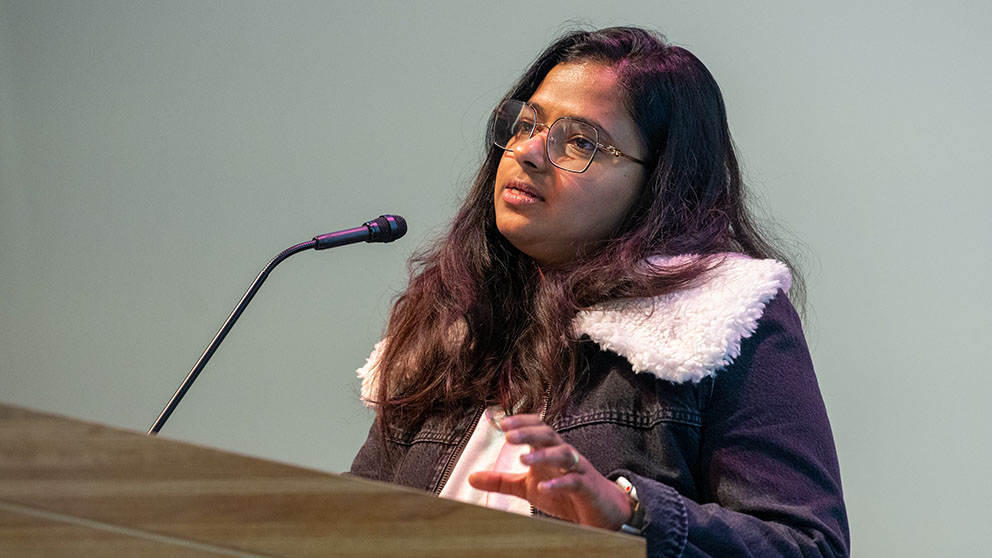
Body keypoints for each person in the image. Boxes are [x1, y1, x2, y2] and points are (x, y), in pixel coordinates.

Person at [349, 26, 850, 557]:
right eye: (526, 125)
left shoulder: (724, 313)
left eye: (581, 142)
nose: (529, 152)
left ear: (658, 182)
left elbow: (808, 546)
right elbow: (353, 520)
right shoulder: (454, 324)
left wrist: (632, 514)